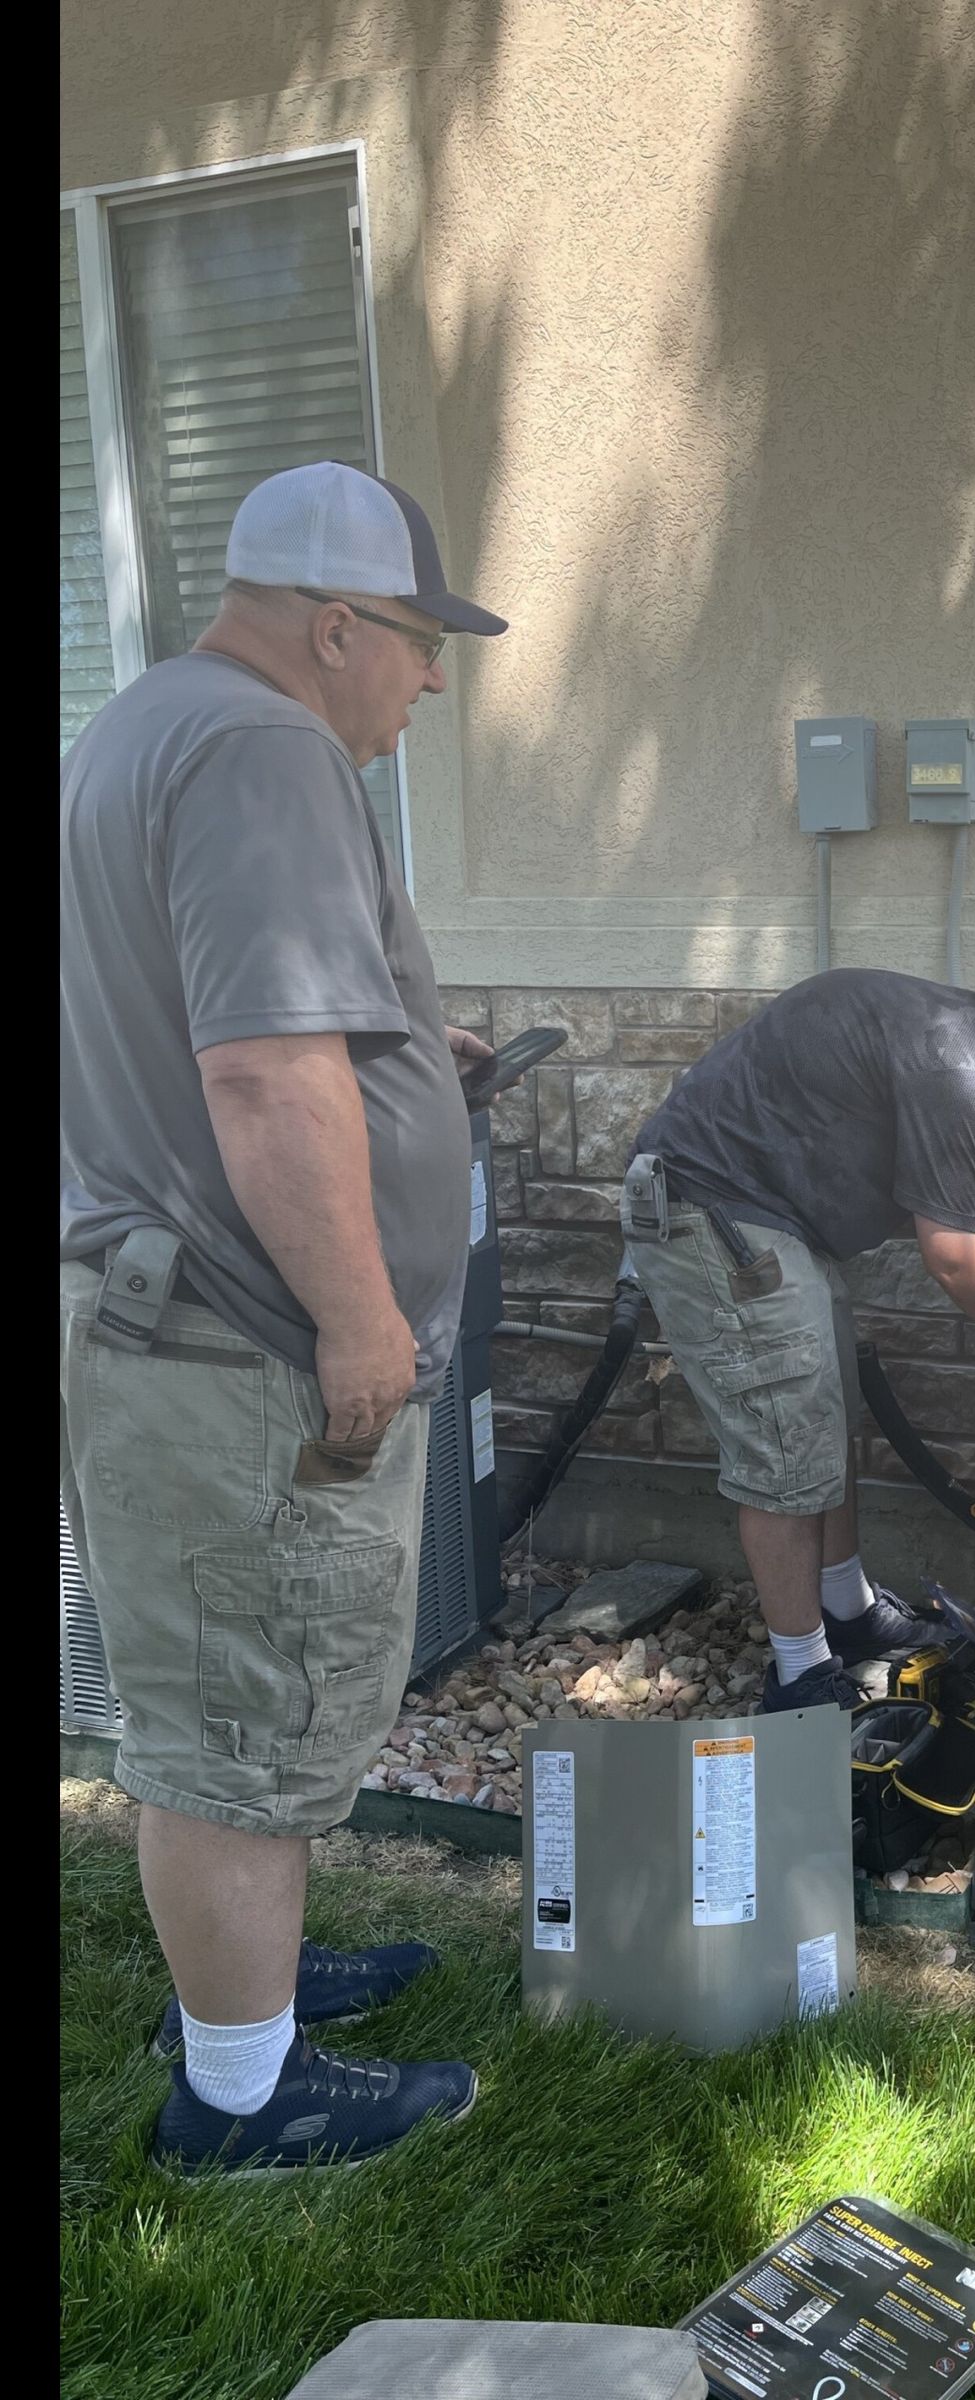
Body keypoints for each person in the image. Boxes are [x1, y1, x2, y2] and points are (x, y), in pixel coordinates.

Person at [60, 461, 511, 2176]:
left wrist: (397, 1060)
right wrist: (357, 1320)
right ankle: (236, 2106)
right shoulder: (264, 749)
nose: (433, 681)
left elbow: (223, 1020)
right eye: (417, 643)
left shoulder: (141, 726)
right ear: (334, 628)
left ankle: (248, 1988)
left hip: (162, 1315)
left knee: (246, 1699)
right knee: (240, 1719)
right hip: (240, 1342)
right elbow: (258, 1072)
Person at [624, 961, 975, 1709]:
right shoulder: (962, 1072)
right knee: (786, 1448)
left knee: (824, 1420)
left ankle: (850, 1613)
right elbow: (956, 1259)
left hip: (775, 1221)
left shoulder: (954, 1045)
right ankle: (801, 1677)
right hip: (715, 1209)